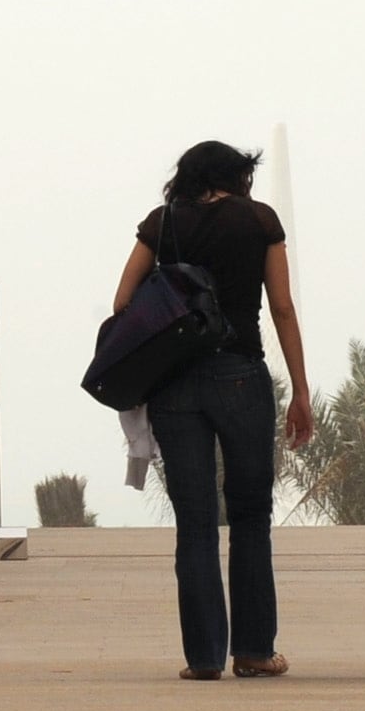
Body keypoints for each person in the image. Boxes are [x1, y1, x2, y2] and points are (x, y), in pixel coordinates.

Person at [112, 139, 308, 681]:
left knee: (194, 521)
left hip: (175, 384)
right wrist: (301, 389)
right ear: (237, 177)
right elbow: (283, 307)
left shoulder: (162, 223)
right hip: (241, 373)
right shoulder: (260, 220)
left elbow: (121, 302)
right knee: (249, 515)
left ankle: (202, 659)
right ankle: (253, 651)